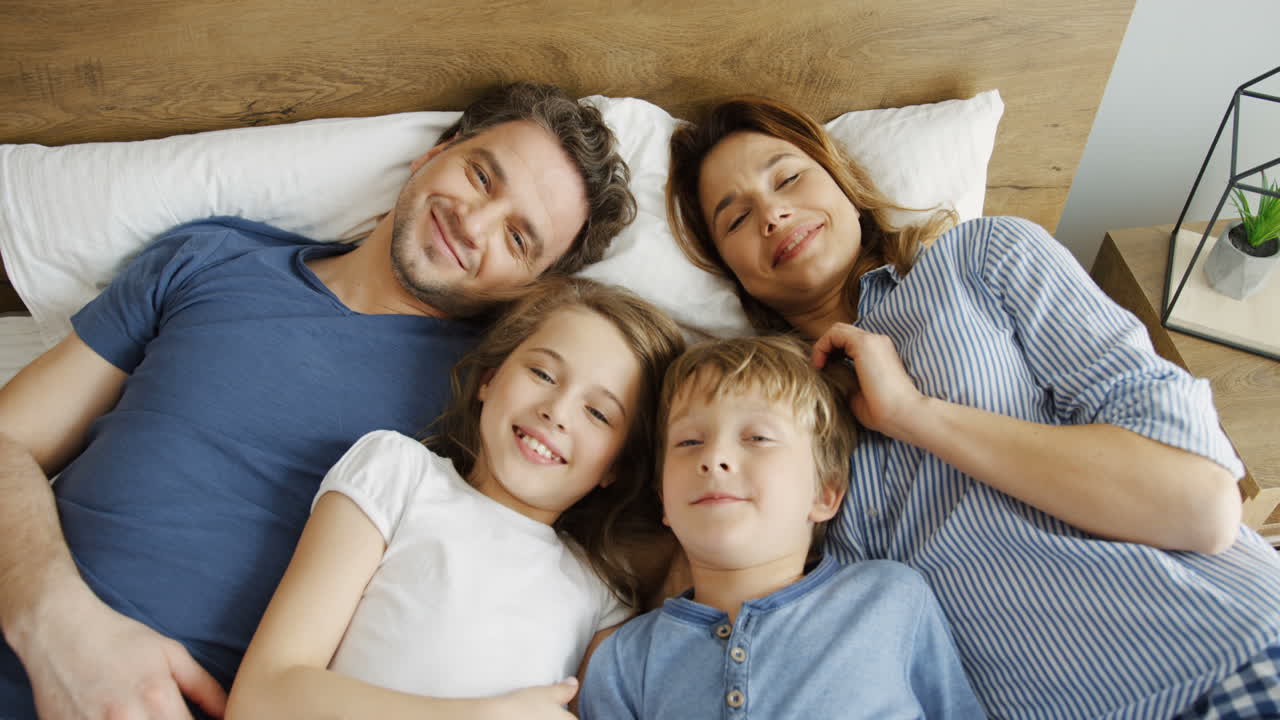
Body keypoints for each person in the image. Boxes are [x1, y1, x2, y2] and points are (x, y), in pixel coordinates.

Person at [0, 82, 636, 720]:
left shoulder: (500, 401)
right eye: (479, 176)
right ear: (432, 154)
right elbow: (9, 439)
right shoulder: (214, 258)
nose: (473, 223)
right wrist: (55, 623)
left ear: (533, 290)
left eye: (519, 239)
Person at [664, 96, 1280, 719]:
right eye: (735, 219)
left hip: (1230, 659)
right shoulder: (757, 422)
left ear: (844, 182)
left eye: (789, 177)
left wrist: (914, 414)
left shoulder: (981, 261)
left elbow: (1201, 505)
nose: (772, 213)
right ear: (729, 272)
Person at [224, 276, 684, 720]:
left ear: (617, 467)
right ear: (489, 378)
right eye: (543, 373)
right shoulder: (398, 473)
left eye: (598, 413)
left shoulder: (601, 596)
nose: (557, 411)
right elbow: (263, 698)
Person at [578, 335, 984, 719]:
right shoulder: (624, 659)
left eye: (757, 437)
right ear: (663, 500)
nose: (715, 457)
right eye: (688, 442)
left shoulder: (887, 599)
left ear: (824, 493)